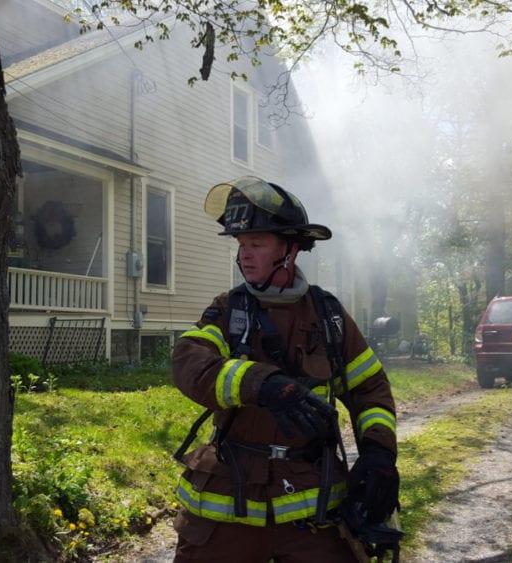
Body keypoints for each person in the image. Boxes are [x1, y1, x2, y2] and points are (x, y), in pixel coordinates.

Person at [170, 176, 400, 561]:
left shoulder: (328, 316)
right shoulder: (228, 310)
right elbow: (188, 362)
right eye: (241, 245)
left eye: (257, 244)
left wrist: (378, 451)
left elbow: (369, 389)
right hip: (230, 493)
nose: (244, 255)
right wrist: (261, 384)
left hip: (312, 497)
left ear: (291, 249)